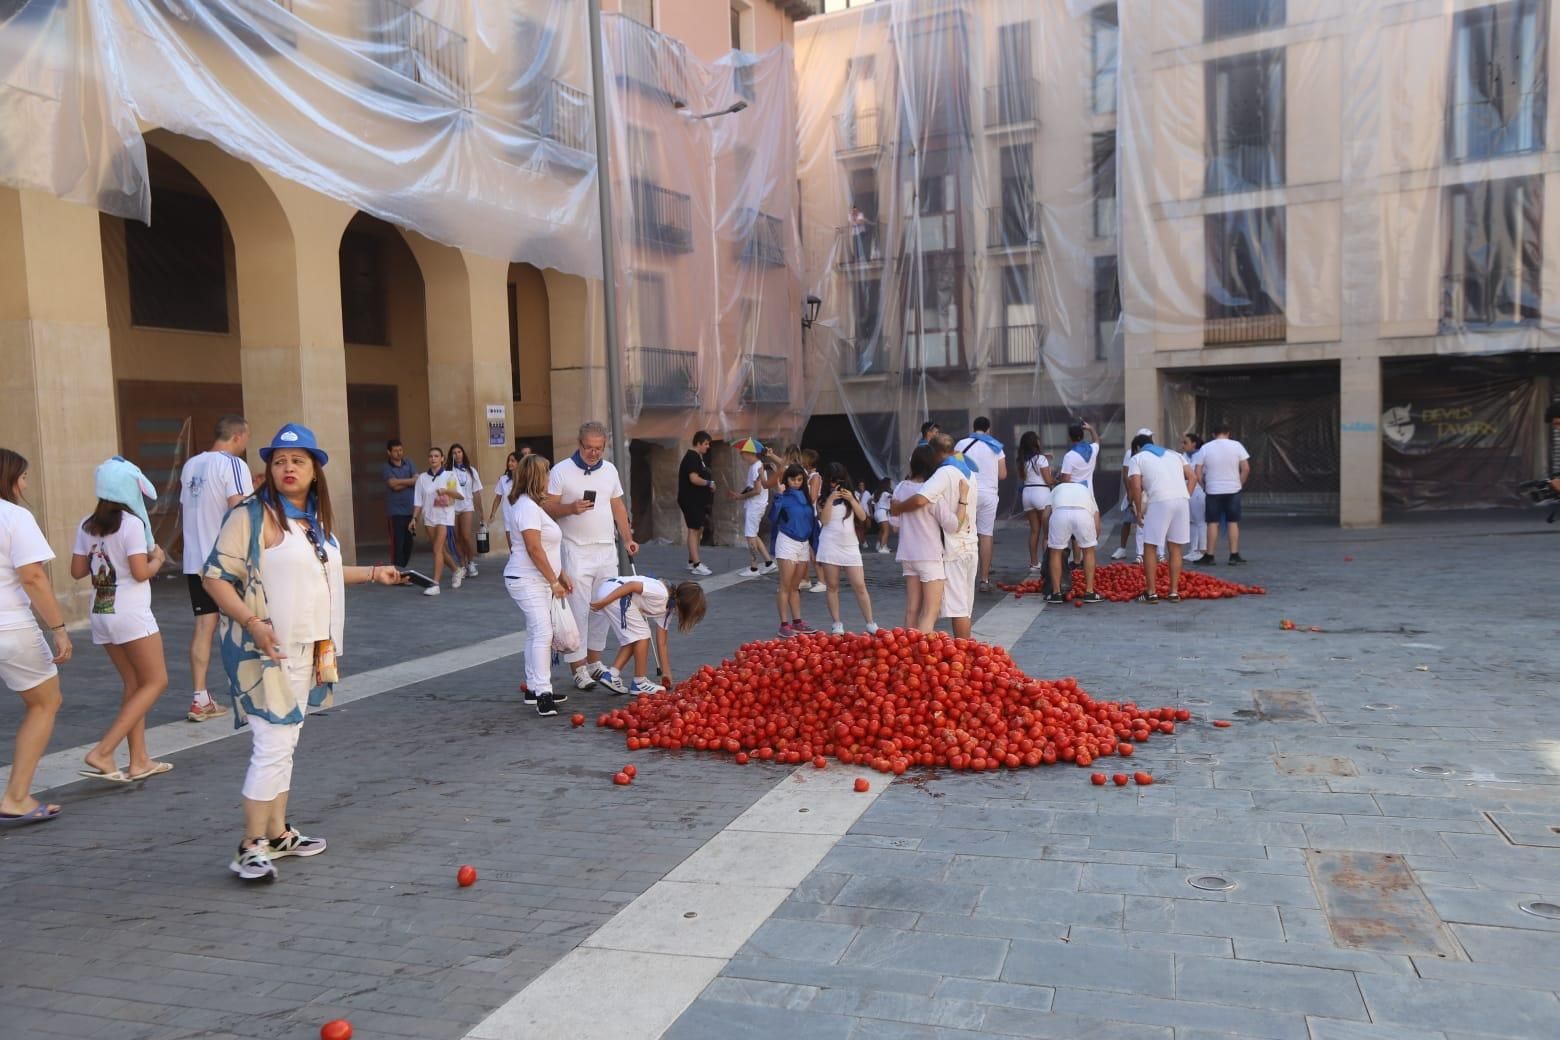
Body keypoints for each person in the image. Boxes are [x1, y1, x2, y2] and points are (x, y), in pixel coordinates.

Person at [201, 423, 403, 881]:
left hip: (310, 646)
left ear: (315, 471)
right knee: (272, 743)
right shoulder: (252, 516)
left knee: (286, 742)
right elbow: (215, 577)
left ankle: (275, 833)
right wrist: (253, 622)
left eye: (298, 461)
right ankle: (250, 845)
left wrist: (374, 572)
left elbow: (322, 573)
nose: (288, 468)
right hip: (264, 651)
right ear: (269, 469)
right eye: (279, 461)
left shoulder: (312, 520)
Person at [70, 458, 171, 783]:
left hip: (102, 609)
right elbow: (141, 573)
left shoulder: (87, 524)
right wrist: (158, 560)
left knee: (133, 684)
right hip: (130, 611)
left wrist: (100, 554)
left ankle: (139, 760)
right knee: (156, 681)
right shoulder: (131, 524)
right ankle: (103, 751)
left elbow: (76, 571)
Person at [0, 449, 70, 828]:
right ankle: (16, 796)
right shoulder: (14, 516)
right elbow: (33, 577)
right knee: (45, 702)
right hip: (10, 625)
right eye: (23, 477)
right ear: (9, 478)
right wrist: (58, 628)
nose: (25, 484)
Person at [546, 421, 639, 694]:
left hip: (606, 548)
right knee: (577, 608)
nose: (594, 453)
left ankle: (595, 660)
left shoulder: (610, 470)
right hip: (575, 549)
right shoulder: (561, 470)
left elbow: (617, 505)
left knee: (603, 606)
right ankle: (578, 666)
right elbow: (549, 507)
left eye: (599, 449)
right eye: (589, 448)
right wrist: (570, 508)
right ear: (579, 443)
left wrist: (628, 537)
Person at [180, 415, 251, 723]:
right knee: (248, 622)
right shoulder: (233, 464)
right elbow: (241, 509)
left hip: (195, 559)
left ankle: (199, 698)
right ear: (238, 436)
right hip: (226, 559)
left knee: (204, 627)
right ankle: (251, 691)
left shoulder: (191, 465)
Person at [503, 454, 572, 717]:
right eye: (547, 473)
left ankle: (534, 687)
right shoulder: (527, 508)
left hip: (537, 578)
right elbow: (534, 548)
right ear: (536, 476)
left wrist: (560, 573)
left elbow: (547, 548)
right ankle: (543, 693)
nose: (549, 478)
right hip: (527, 578)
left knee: (536, 632)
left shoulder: (531, 505)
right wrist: (554, 580)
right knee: (543, 632)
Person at [896, 434, 978, 637]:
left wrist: (898, 508)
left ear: (934, 453)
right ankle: (963, 654)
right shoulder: (969, 473)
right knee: (963, 608)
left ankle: (957, 654)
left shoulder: (943, 474)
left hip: (951, 550)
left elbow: (919, 500)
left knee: (953, 609)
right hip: (969, 544)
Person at [589, 576, 707, 695]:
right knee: (643, 634)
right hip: (615, 592)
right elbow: (632, 585)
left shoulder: (667, 609)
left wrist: (666, 673)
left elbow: (662, 643)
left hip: (613, 592)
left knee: (635, 637)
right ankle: (639, 682)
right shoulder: (661, 593)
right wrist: (604, 602)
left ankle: (611, 675)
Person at [890, 445, 961, 632]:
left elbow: (894, 525)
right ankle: (920, 657)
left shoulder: (900, 488)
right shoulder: (931, 491)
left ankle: (906, 653)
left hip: (907, 554)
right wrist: (963, 502)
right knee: (930, 611)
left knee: (912, 609)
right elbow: (952, 525)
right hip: (929, 555)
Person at [1127, 432, 1196, 604]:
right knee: (1175, 548)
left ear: (1136, 447)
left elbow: (1136, 486)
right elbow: (1193, 477)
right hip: (1181, 501)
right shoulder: (1176, 455)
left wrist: (1138, 510)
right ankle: (1173, 592)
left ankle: (1151, 593)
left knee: (1150, 546)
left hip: (1159, 500)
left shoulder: (1137, 458)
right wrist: (1184, 496)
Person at [816, 462, 877, 635]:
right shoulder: (823, 499)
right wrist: (830, 499)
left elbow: (863, 517)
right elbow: (825, 520)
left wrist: (851, 499)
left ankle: (870, 622)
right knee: (832, 586)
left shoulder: (851, 498)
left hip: (850, 545)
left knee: (860, 585)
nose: (836, 485)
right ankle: (837, 623)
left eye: (839, 481)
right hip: (830, 544)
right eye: (832, 482)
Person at [768, 464, 820, 638]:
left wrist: (814, 545)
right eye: (792, 479)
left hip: (803, 543)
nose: (796, 483)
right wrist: (779, 497)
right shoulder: (783, 496)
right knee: (785, 585)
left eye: (799, 479)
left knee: (795, 586)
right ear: (786, 479)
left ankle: (797, 622)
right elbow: (773, 518)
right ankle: (784, 624)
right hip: (787, 541)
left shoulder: (806, 497)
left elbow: (811, 521)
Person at [956, 417, 1007, 591]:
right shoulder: (996, 447)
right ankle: (984, 579)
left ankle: (962, 577)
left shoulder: (960, 444)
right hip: (989, 494)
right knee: (986, 534)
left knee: (963, 532)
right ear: (988, 429)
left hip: (966, 492)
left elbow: (954, 467)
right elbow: (1002, 475)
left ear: (974, 427)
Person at [1197, 423, 1251, 565]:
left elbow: (1198, 470)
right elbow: (1245, 468)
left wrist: (1203, 485)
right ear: (1228, 433)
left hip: (1213, 489)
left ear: (1213, 434)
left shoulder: (1205, 448)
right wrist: (1239, 483)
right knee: (1232, 522)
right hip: (1233, 488)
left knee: (1212, 523)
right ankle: (1234, 555)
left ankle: (1209, 556)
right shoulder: (1237, 445)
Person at [412, 447, 462, 595]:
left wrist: (446, 491)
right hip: (429, 517)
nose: (433, 458)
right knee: (440, 549)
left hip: (445, 517)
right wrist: (414, 518)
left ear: (442, 459)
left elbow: (459, 496)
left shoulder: (449, 475)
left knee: (436, 549)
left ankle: (435, 584)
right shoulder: (422, 478)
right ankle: (457, 570)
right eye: (430, 456)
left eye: (436, 456)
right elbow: (418, 502)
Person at [1047, 480, 1104, 605]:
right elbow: (1096, 520)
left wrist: (1047, 535)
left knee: (1055, 553)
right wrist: (1092, 539)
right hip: (1082, 513)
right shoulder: (1086, 490)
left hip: (1060, 514)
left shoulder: (1056, 489)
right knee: (1088, 552)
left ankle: (1056, 594)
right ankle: (1089, 592)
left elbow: (1046, 514)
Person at [727, 438, 776, 574]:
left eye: (742, 452)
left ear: (749, 453)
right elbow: (752, 487)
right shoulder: (756, 466)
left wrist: (740, 496)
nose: (741, 454)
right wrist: (739, 495)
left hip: (755, 505)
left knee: (750, 536)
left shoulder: (756, 468)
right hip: (757, 504)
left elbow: (757, 490)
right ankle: (768, 562)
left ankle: (754, 567)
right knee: (753, 534)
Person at [678, 431, 715, 577]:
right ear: (698, 443)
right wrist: (708, 483)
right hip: (690, 500)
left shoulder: (698, 457)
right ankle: (697, 564)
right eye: (706, 444)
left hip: (696, 500)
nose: (707, 447)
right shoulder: (692, 457)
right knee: (693, 531)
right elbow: (693, 478)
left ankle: (692, 560)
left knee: (698, 529)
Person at [1017, 431, 1052, 572]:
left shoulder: (1021, 460)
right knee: (1047, 532)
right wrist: (1057, 478)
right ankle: (1048, 563)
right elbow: (1048, 480)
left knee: (1034, 531)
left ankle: (1033, 563)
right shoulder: (1041, 459)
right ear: (1035, 442)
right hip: (1041, 493)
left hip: (1027, 494)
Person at [447, 443, 483, 578]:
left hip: (467, 505)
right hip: (452, 507)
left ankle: (471, 561)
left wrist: (481, 511)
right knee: (457, 538)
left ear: (463, 453)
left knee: (466, 536)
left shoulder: (471, 471)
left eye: (459, 452)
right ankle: (462, 564)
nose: (457, 455)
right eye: (454, 452)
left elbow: (477, 492)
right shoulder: (448, 471)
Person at [383, 439, 418, 570]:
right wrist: (411, 481)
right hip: (395, 512)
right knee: (397, 543)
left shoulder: (409, 462)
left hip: (411, 510)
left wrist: (400, 482)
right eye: (396, 451)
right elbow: (393, 485)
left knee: (408, 543)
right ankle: (397, 571)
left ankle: (402, 568)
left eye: (400, 450)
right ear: (389, 452)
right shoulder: (386, 467)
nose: (399, 453)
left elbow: (417, 480)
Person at [799, 449, 825, 594]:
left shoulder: (815, 477)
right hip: (805, 516)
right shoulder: (807, 476)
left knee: (815, 550)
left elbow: (813, 497)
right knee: (805, 551)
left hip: (812, 517)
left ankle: (822, 580)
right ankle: (805, 579)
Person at [1181, 432, 1208, 563]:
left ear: (1194, 444)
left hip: (1198, 491)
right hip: (1187, 490)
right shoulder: (1183, 456)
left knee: (1201, 521)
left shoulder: (1201, 455)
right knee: (1191, 521)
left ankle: (1202, 550)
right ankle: (1193, 550)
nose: (1183, 445)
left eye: (1186, 442)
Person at [487, 452, 521, 554]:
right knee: (513, 550)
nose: (510, 463)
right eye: (509, 461)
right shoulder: (503, 480)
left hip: (523, 518)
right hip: (509, 518)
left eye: (513, 461)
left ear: (519, 463)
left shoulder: (526, 479)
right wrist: (492, 514)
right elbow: (498, 498)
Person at [872, 477, 894, 553]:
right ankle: (882, 548)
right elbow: (892, 497)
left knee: (881, 530)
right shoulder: (885, 493)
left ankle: (880, 545)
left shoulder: (876, 492)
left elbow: (869, 501)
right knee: (886, 531)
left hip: (877, 512)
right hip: (883, 512)